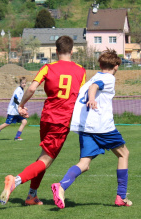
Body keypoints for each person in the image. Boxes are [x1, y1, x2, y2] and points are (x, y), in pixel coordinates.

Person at [0, 36, 86, 206]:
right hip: (62, 121)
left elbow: (31, 88)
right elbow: (81, 98)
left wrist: (22, 105)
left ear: (56, 51)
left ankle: (32, 195)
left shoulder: (47, 67)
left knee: (43, 158)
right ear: (72, 50)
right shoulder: (81, 71)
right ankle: (15, 181)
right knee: (46, 160)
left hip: (46, 118)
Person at [50, 49, 130, 209]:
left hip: (85, 126)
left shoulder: (93, 77)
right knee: (124, 154)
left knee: (84, 164)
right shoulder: (108, 78)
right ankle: (121, 196)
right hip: (101, 126)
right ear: (116, 66)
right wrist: (92, 99)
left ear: (100, 64)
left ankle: (61, 186)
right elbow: (94, 87)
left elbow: (91, 86)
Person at [0, 77, 28, 141]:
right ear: (20, 83)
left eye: (25, 83)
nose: (24, 84)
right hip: (13, 111)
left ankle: (17, 137)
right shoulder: (18, 90)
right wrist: (20, 107)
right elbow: (15, 99)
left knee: (24, 121)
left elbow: (19, 101)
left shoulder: (22, 90)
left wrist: (22, 107)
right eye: (22, 83)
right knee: (7, 123)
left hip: (17, 111)